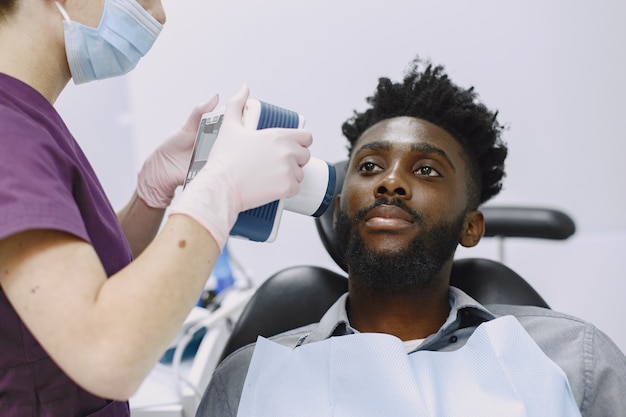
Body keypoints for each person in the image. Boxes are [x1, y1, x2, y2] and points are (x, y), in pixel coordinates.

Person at [196, 56, 626, 417]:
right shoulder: (245, 381)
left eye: (426, 170)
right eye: (368, 167)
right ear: (340, 207)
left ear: (470, 227)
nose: (390, 183)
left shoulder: (573, 359)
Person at [0, 0, 312, 415]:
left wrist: (152, 193)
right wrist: (218, 191)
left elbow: (82, 282)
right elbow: (106, 352)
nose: (156, 13)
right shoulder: (10, 134)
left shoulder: (27, 118)